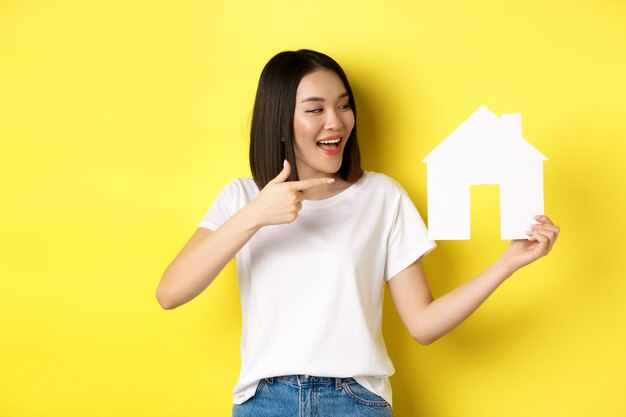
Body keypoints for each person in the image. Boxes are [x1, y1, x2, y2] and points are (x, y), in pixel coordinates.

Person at [155, 49, 560, 417]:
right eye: (316, 109)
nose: (337, 121)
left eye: (344, 106)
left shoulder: (382, 196)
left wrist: (507, 263)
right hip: (264, 403)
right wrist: (255, 215)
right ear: (280, 120)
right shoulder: (241, 197)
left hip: (354, 402)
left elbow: (422, 324)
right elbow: (170, 293)